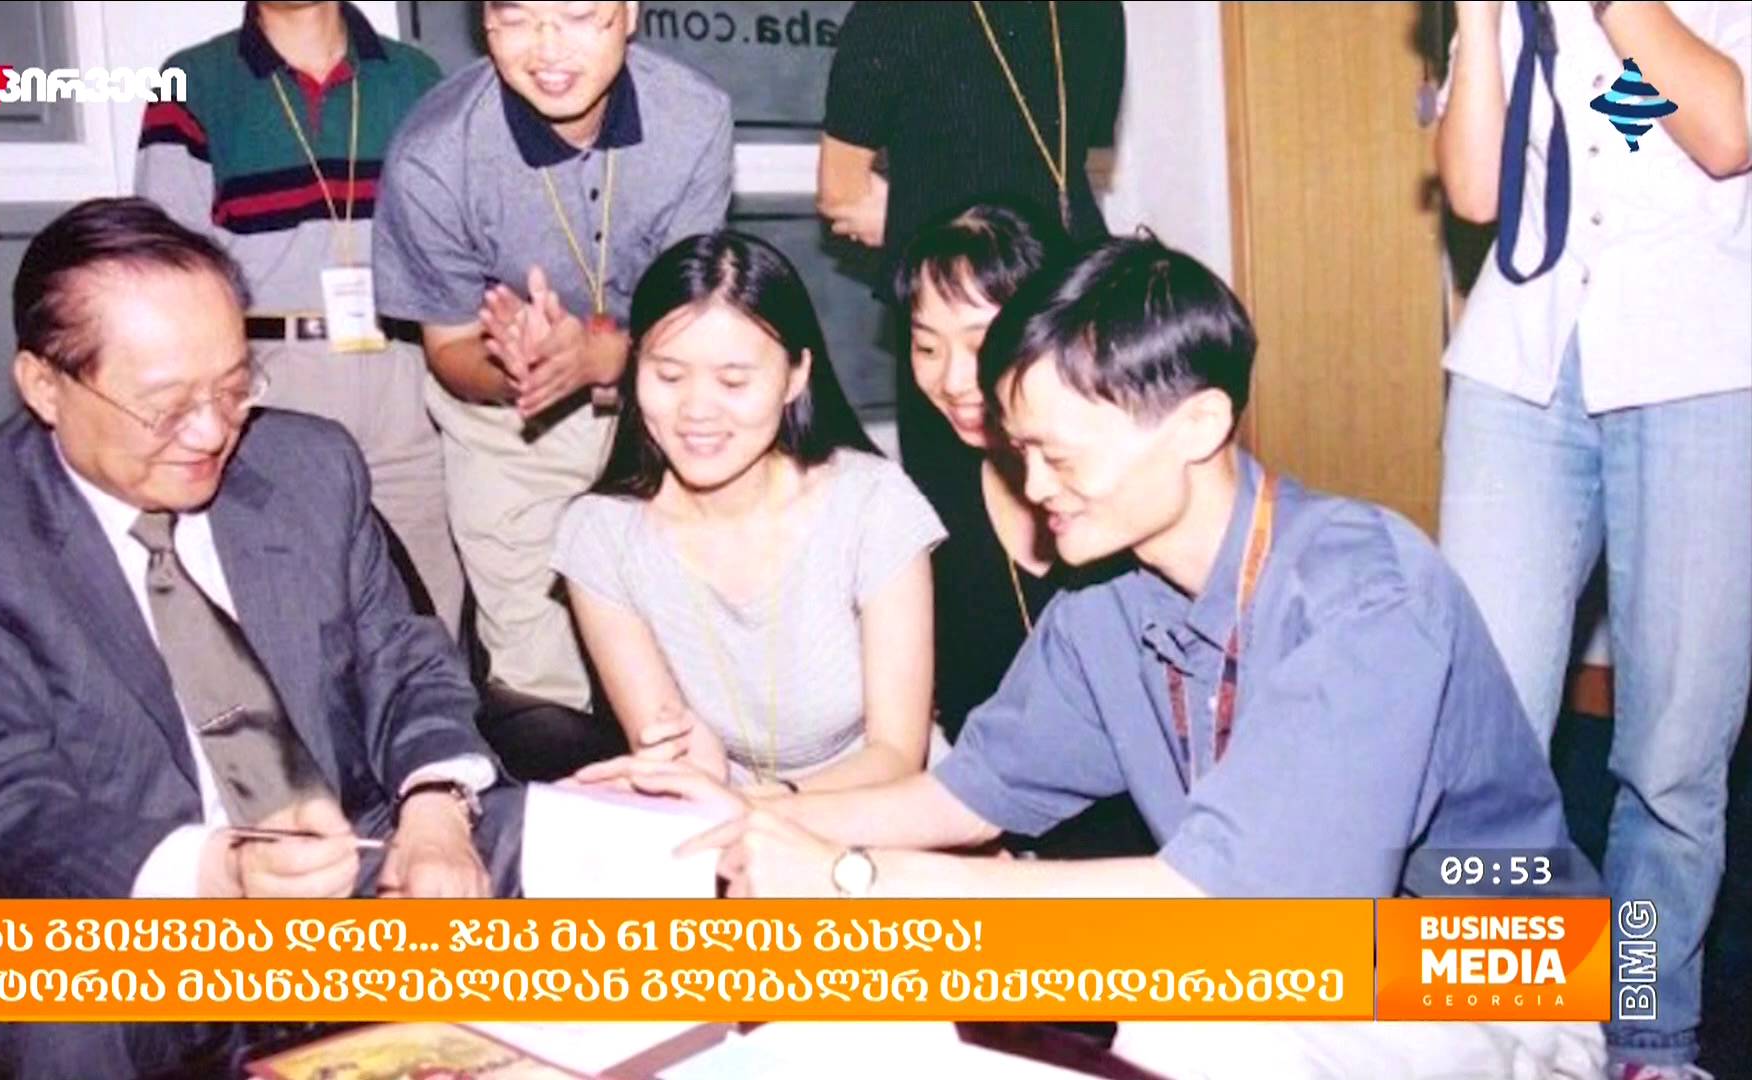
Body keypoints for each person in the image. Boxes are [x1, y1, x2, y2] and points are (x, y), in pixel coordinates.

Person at [587, 234, 1605, 1079]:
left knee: (1191, 1026)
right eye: (1023, 452)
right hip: (1287, 957)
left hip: (1516, 968)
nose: (1035, 487)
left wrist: (851, 876)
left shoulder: (1364, 593)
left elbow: (1225, 917)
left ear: (1199, 423)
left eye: (1061, 455)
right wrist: (747, 819)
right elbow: (965, 797)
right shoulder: (1108, 594)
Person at [0, 199, 521, 1078]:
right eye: (166, 406)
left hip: (344, 862)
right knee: (62, 1024)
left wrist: (437, 808)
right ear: (44, 386)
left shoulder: (309, 466)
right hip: (107, 901)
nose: (213, 431)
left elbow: (403, 663)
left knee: (603, 867)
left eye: (233, 386)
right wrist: (220, 872)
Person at [1436, 3, 1750, 1076]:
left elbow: (1725, 131)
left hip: (1700, 366)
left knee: (1672, 758)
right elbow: (1476, 191)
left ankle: (1645, 1024)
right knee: (1479, 735)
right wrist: (1476, 16)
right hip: (1520, 363)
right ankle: (1493, 1016)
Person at [375, 0, 733, 717]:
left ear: (629, 12)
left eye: (576, 15)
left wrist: (605, 358)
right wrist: (523, 369)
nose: (547, 49)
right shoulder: (432, 155)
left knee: (698, 643)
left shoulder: (694, 117)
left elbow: (692, 317)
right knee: (539, 676)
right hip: (510, 423)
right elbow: (449, 349)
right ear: (483, 21)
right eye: (516, 19)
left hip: (660, 394)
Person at [555, 231, 946, 796]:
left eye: (733, 381)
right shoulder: (602, 536)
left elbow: (897, 756)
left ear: (796, 376)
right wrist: (690, 766)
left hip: (879, 809)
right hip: (718, 812)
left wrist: (766, 806)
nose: (696, 410)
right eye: (668, 376)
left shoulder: (873, 504)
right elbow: (672, 756)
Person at [136, 0, 464, 633]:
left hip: (404, 371)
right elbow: (167, 267)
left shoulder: (415, 77)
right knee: (287, 606)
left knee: (428, 607)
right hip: (270, 379)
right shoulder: (193, 81)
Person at [893, 201, 1150, 859]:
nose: (953, 380)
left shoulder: (1139, 499)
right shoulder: (928, 503)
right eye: (927, 346)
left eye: (981, 344)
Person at [818, 1, 1125, 531]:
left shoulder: (892, 14)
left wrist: (916, 214)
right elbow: (1075, 158)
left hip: (960, 305)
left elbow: (841, 195)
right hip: (1075, 302)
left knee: (967, 532)